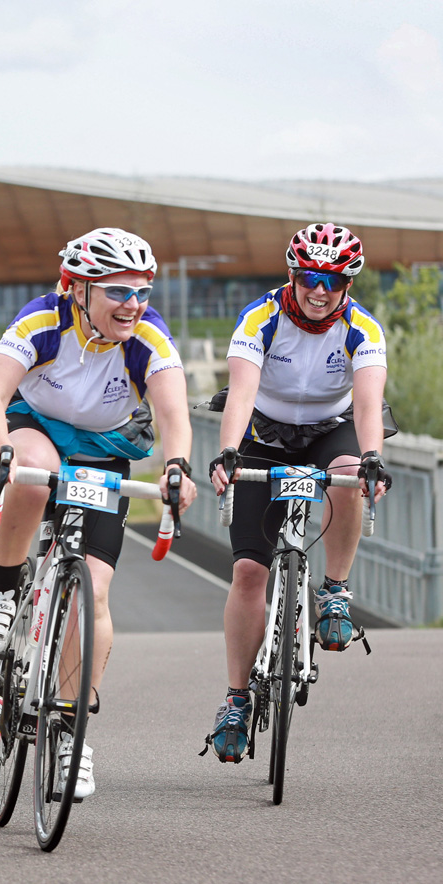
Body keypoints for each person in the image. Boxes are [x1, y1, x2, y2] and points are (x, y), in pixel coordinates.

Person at [0, 227, 197, 798]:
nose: (132, 304)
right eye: (118, 292)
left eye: (141, 291)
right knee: (34, 472)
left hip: (101, 451)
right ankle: (3, 592)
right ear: (79, 290)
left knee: (96, 592)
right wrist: (0, 451)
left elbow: (173, 416)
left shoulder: (149, 338)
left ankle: (69, 733)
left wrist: (176, 467)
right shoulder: (43, 320)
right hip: (30, 426)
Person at [204, 222, 393, 763]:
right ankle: (237, 700)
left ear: (348, 285)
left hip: (330, 430)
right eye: (310, 277)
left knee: (351, 469)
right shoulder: (260, 318)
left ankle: (334, 590)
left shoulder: (363, 329)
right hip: (264, 433)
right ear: (292, 275)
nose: (319, 290)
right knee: (249, 572)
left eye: (333, 281)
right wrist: (229, 450)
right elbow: (241, 393)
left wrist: (372, 458)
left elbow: (367, 405)